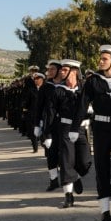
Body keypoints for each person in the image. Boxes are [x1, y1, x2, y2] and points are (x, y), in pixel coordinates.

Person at [81, 45, 111, 221]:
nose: (100, 62)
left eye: (104, 59)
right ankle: (105, 211)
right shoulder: (93, 81)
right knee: (101, 168)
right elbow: (82, 103)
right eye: (100, 59)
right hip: (100, 128)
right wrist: (79, 122)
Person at [42, 59, 92, 209]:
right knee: (66, 160)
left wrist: (91, 111)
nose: (61, 72)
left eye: (65, 70)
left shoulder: (84, 89)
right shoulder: (58, 91)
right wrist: (47, 134)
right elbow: (49, 114)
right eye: (61, 69)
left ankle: (76, 175)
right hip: (64, 128)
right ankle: (68, 196)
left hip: (81, 128)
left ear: (74, 72)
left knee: (85, 161)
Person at [35, 60, 64, 191]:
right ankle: (53, 180)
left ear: (59, 70)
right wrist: (37, 125)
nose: (50, 72)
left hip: (64, 125)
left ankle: (68, 177)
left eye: (52, 69)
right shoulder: (45, 87)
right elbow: (39, 107)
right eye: (49, 69)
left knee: (66, 154)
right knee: (51, 154)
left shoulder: (66, 85)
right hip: (49, 126)